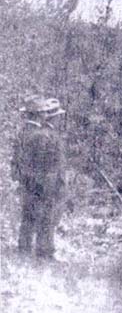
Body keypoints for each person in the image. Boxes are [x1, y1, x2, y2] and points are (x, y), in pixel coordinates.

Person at [11, 96, 67, 260]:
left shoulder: (22, 133)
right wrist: (51, 184)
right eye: (43, 113)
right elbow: (46, 164)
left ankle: (25, 252)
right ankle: (44, 253)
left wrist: (21, 179)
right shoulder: (42, 136)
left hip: (28, 182)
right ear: (38, 115)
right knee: (45, 218)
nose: (45, 116)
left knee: (28, 218)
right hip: (42, 184)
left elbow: (17, 162)